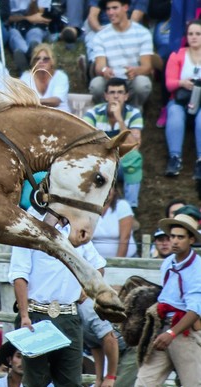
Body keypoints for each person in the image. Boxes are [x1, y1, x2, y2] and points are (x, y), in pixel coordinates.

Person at [9, 208, 107, 387]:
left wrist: (87, 289)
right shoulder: (28, 226)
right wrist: (24, 314)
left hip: (68, 313)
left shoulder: (73, 228)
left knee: (72, 385)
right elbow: (19, 274)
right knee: (35, 384)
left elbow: (97, 266)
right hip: (37, 313)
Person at [125, 213, 201, 387]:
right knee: (144, 384)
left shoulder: (197, 268)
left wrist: (171, 333)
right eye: (172, 236)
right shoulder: (168, 263)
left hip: (184, 332)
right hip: (161, 329)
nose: (175, 241)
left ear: (191, 240)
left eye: (180, 237)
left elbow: (195, 309)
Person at [82, 78, 143, 208]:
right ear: (106, 96)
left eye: (120, 92)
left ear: (126, 96)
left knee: (135, 158)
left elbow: (135, 147)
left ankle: (131, 208)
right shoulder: (93, 113)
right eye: (112, 92)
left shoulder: (134, 114)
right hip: (98, 162)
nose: (116, 96)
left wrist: (119, 119)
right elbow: (84, 143)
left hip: (122, 163)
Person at [89, 0, 153, 108]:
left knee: (143, 84)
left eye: (114, 8)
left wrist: (135, 71)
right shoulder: (101, 36)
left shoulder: (143, 33)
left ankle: (133, 110)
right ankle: (105, 111)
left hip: (132, 80)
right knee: (96, 85)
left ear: (125, 8)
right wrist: (105, 70)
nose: (110, 12)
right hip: (110, 80)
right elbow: (99, 65)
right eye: (108, 9)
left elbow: (147, 66)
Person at [164, 20, 201, 180]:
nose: (194, 37)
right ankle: (174, 158)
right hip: (181, 99)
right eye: (190, 34)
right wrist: (182, 83)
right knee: (174, 114)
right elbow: (169, 84)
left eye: (198, 34)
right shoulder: (177, 55)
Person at [20, 43, 71, 112]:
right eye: (37, 59)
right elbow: (21, 100)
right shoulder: (25, 77)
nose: (41, 61)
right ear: (34, 62)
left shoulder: (61, 76)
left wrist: (32, 102)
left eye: (46, 59)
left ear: (52, 62)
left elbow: (55, 101)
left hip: (60, 118)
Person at [6, 0, 53, 74]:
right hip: (15, 26)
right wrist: (26, 18)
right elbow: (6, 18)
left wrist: (33, 2)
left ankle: (26, 60)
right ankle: (30, 56)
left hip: (36, 27)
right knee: (14, 34)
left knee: (35, 34)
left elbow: (39, 16)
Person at [91, 187, 138, 258]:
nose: (106, 191)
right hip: (96, 262)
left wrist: (118, 263)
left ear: (115, 191)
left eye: (110, 188)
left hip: (126, 261)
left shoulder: (122, 206)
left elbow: (125, 238)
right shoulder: (89, 209)